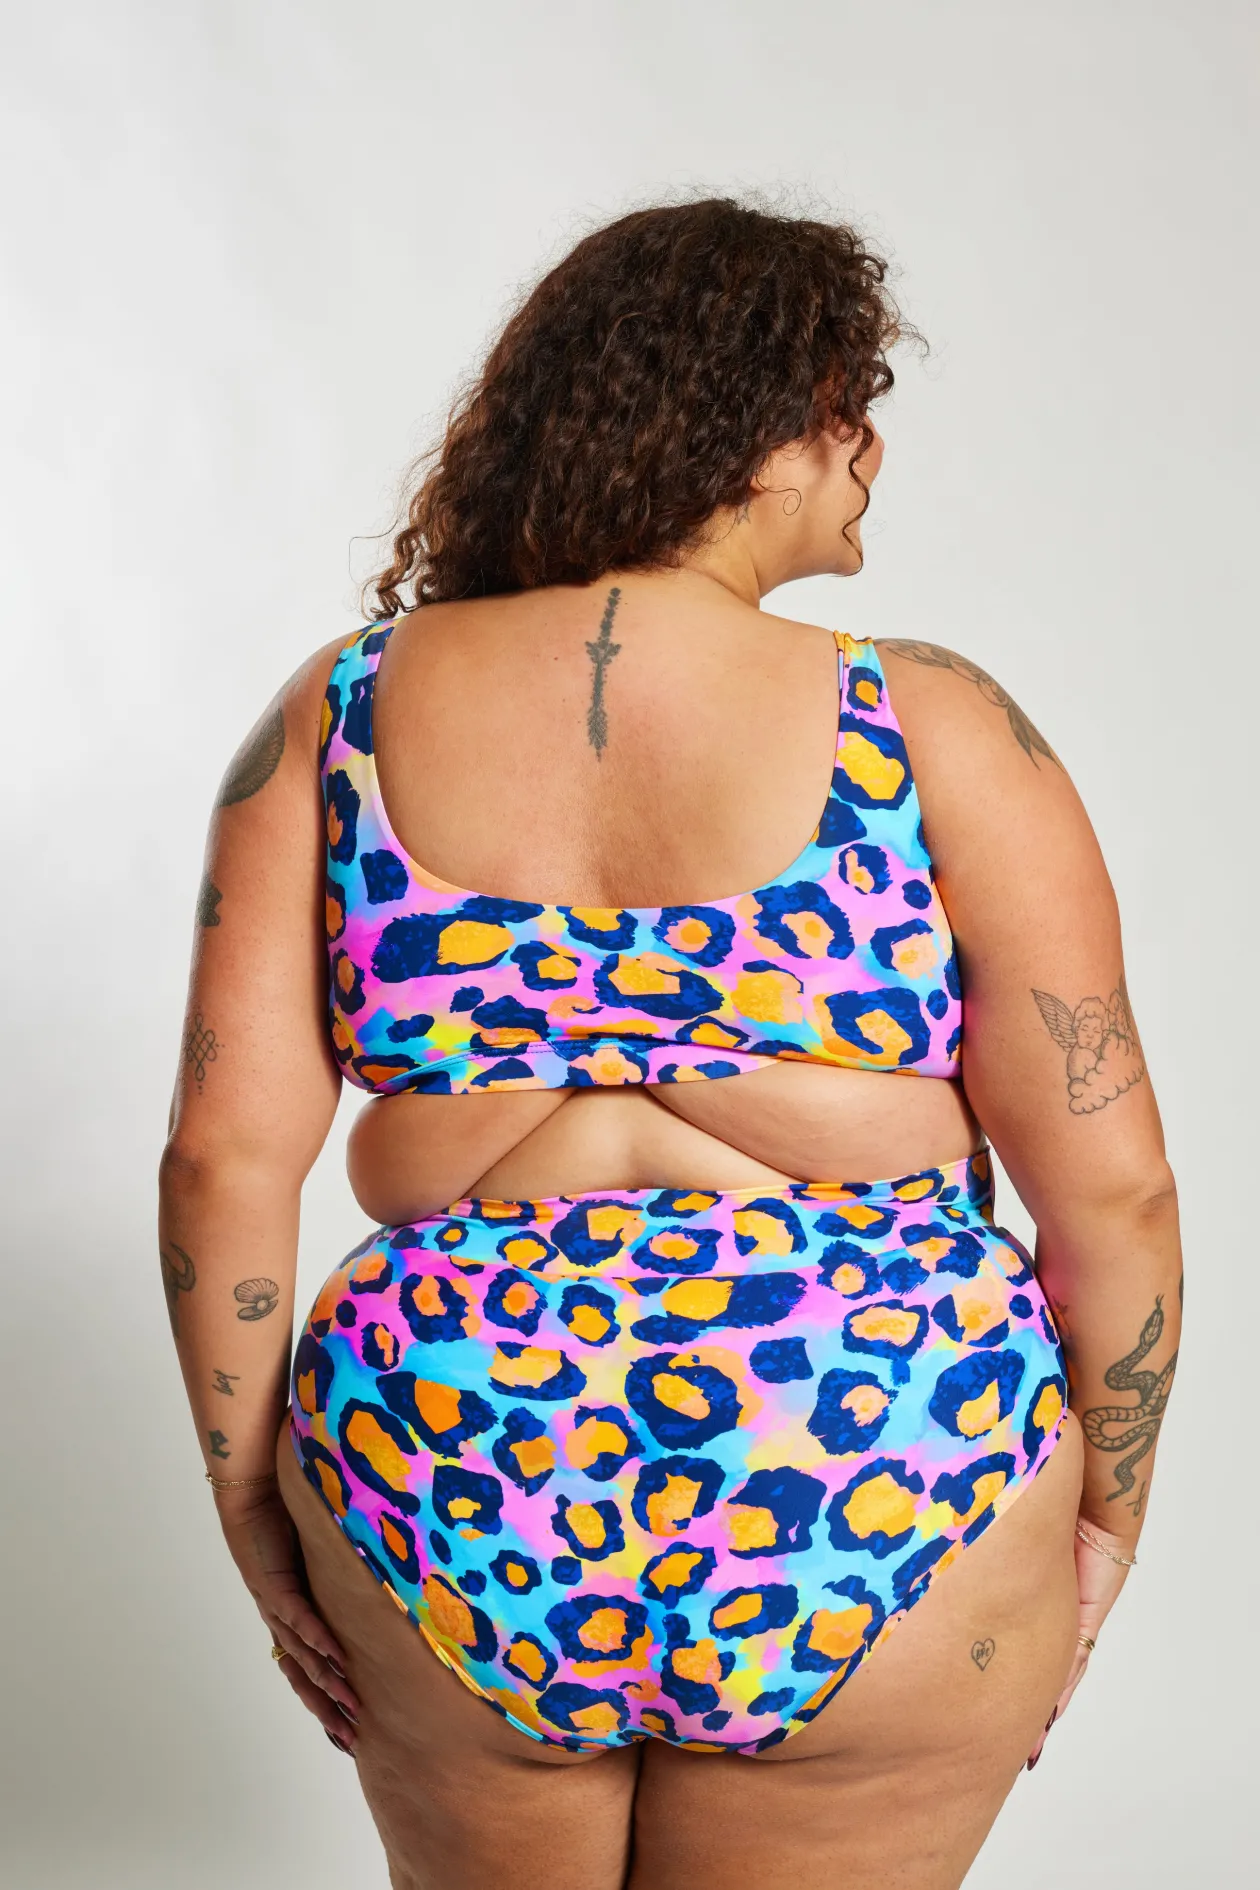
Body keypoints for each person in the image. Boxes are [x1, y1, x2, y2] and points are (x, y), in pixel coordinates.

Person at [158, 198, 1182, 1890]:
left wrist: (253, 1502)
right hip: (872, 1444)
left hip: (454, 1464)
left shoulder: (337, 715)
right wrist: (1111, 1520)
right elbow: (1116, 1190)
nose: (867, 454)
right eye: (845, 410)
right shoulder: (929, 720)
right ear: (743, 425)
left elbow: (221, 1160)